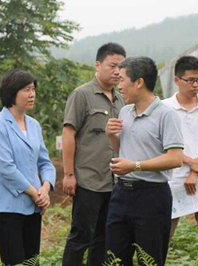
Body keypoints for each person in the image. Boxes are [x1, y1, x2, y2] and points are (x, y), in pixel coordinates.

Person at [105, 56, 184, 266]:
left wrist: (135, 166)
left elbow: (175, 158)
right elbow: (123, 149)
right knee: (114, 259)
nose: (118, 86)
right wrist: (112, 135)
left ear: (139, 82)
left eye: (122, 80)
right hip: (121, 194)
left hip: (152, 196)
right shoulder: (125, 112)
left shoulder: (166, 115)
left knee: (149, 260)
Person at [62, 42, 126, 266]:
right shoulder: (82, 95)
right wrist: (69, 174)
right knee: (80, 237)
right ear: (97, 65)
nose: (117, 71)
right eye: (112, 66)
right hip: (88, 180)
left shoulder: (122, 100)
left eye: (121, 67)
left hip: (113, 182)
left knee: (103, 239)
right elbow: (68, 133)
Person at [0, 69, 56, 265]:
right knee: (15, 261)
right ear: (11, 92)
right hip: (8, 207)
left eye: (33, 89)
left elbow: (45, 162)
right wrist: (35, 193)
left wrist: (46, 189)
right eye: (26, 89)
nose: (32, 94)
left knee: (32, 262)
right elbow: (5, 167)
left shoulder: (34, 125)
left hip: (34, 207)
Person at [162, 56, 198, 264]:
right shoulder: (164, 107)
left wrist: (195, 172)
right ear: (177, 80)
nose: (195, 85)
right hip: (171, 179)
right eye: (190, 80)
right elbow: (162, 144)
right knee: (162, 237)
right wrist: (187, 161)